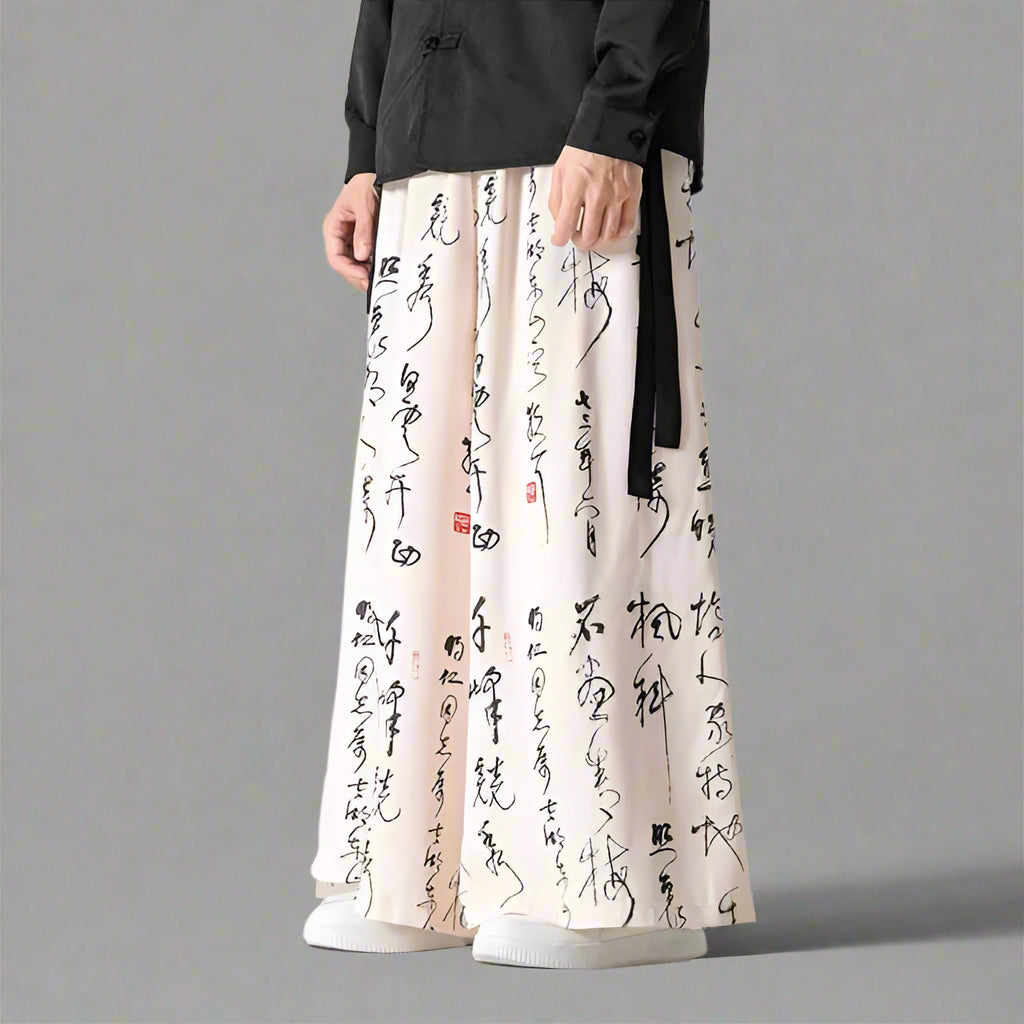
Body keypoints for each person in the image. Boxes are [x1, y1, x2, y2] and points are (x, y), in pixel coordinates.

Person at [304, 0, 756, 970]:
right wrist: (367, 152)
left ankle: (610, 887)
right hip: (424, 141)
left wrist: (617, 115)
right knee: (418, 512)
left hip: (572, 128)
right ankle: (417, 870)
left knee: (571, 502)